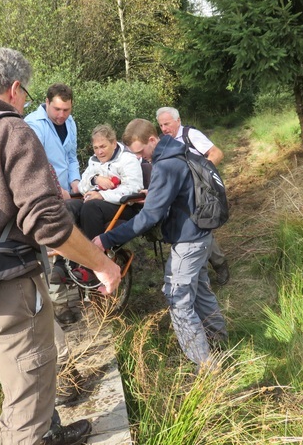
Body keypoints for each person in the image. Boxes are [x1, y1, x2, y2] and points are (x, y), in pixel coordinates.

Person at [0, 48, 121, 445]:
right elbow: (47, 222)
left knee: (24, 371)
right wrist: (102, 264)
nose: (24, 100)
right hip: (6, 281)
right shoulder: (11, 129)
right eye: (25, 92)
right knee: (27, 385)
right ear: (14, 88)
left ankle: (50, 429)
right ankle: (35, 434)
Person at [93, 119, 228, 373]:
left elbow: (149, 217)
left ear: (152, 140)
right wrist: (154, 194)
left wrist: (107, 238)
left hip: (188, 240)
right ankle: (219, 341)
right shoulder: (178, 151)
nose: (139, 158)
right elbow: (178, 193)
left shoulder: (165, 165)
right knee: (201, 291)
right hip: (200, 235)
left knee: (177, 297)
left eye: (141, 151)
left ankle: (206, 366)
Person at [25, 84, 81, 323]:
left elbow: (71, 155)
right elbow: (36, 166)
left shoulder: (70, 123)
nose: (61, 115)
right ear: (46, 102)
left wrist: (76, 181)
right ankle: (60, 307)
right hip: (46, 195)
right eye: (57, 109)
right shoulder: (33, 125)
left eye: (66, 110)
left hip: (69, 195)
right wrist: (59, 190)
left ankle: (77, 295)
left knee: (74, 242)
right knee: (52, 249)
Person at [156, 107, 230, 286]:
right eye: (160, 125)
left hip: (199, 192)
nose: (164, 128)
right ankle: (201, 270)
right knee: (190, 229)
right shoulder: (163, 143)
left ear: (178, 121)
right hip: (177, 194)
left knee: (199, 226)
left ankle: (219, 265)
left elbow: (216, 153)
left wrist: (198, 174)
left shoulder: (191, 135)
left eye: (167, 124)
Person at [66, 124, 143, 282]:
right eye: (95, 147)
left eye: (103, 146)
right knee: (69, 207)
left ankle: (93, 267)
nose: (99, 151)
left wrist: (102, 195)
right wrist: (95, 179)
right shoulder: (94, 161)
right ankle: (68, 261)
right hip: (97, 200)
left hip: (125, 206)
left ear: (114, 144)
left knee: (91, 207)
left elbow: (134, 189)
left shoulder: (127, 159)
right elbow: (81, 186)